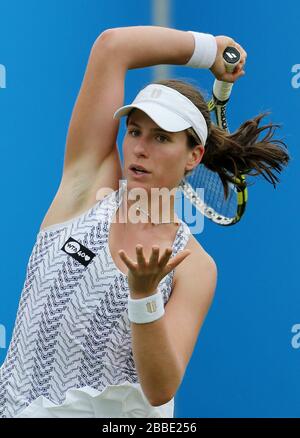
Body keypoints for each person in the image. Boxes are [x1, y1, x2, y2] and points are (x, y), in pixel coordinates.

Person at [0, 26, 289, 418]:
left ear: (193, 156)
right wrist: (209, 50)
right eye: (134, 131)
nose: (140, 147)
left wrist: (144, 296)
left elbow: (161, 388)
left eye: (161, 137)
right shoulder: (84, 191)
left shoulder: (195, 268)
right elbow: (111, 47)